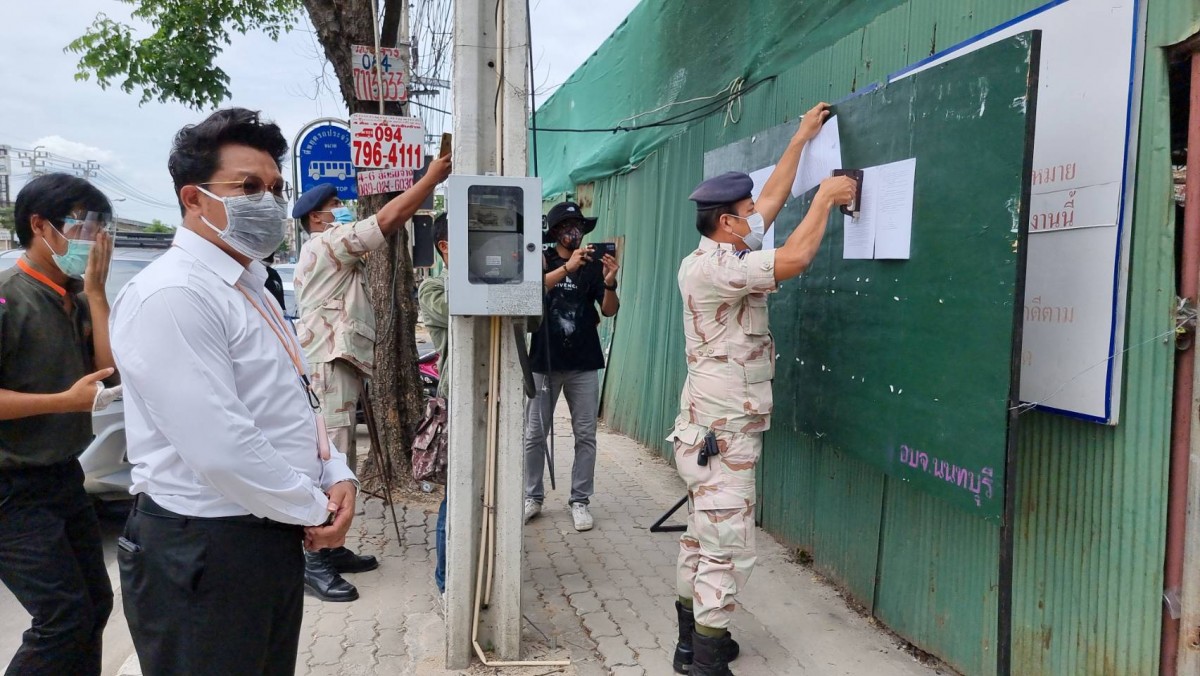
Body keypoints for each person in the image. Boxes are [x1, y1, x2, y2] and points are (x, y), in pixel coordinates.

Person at [110, 108, 359, 675]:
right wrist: (314, 507)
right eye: (248, 187)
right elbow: (222, 447)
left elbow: (294, 400)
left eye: (274, 188)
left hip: (267, 533)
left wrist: (336, 472)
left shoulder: (252, 286)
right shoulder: (172, 295)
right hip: (204, 549)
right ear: (193, 199)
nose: (268, 202)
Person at [668, 102, 857, 676]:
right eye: (746, 212)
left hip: (708, 424)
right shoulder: (718, 268)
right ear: (728, 223)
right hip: (725, 432)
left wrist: (800, 140)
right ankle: (705, 660)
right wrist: (825, 197)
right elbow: (795, 255)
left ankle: (691, 643)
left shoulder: (717, 250)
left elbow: (770, 202)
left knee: (701, 537)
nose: (757, 216)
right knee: (725, 543)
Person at [291, 153, 451, 601]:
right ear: (318, 218)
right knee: (330, 459)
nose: (344, 210)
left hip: (338, 361)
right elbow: (389, 218)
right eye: (337, 206)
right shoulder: (327, 243)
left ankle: (331, 546)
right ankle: (314, 558)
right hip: (329, 364)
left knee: (340, 455)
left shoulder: (322, 250)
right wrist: (431, 179)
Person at [0, 174, 116, 675]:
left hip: (63, 475)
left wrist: (95, 294)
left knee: (95, 605)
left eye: (98, 227)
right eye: (81, 225)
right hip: (11, 487)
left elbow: (111, 375)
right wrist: (63, 402)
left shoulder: (74, 296)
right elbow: (76, 398)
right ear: (39, 225)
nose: (91, 238)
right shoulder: (10, 296)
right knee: (63, 617)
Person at [523, 201, 620, 532]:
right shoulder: (542, 259)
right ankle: (531, 497)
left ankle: (580, 500)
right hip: (544, 362)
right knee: (534, 435)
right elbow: (531, 293)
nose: (573, 230)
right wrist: (567, 268)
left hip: (583, 364)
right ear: (555, 232)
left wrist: (609, 281)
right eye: (566, 225)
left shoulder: (592, 266)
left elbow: (608, 311)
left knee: (585, 435)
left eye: (577, 224)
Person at [417, 212, 449, 600]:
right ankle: (447, 582)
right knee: (456, 496)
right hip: (456, 400)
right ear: (445, 246)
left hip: (499, 398)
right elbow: (468, 301)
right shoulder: (433, 288)